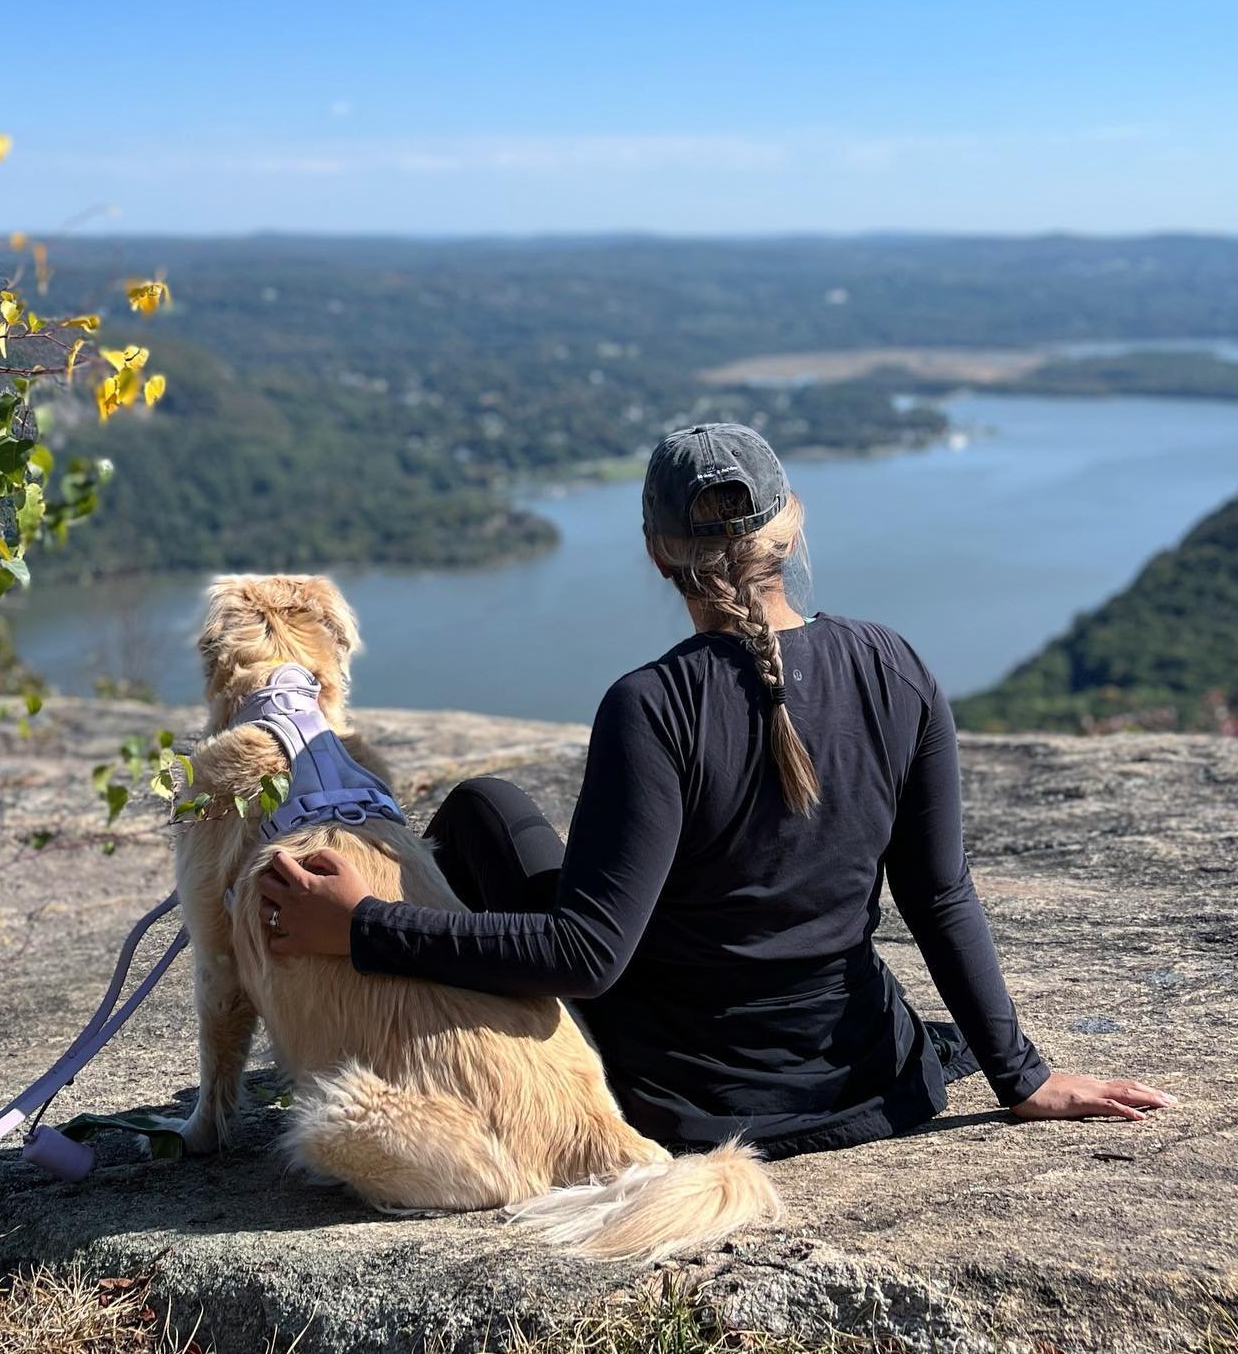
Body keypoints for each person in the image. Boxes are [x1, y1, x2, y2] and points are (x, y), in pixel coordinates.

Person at [259, 423, 1173, 1156]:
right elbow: (939, 894)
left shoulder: (653, 706)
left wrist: (362, 927)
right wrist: (1022, 1077)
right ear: (793, 527)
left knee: (480, 812)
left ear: (658, 553)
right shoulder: (893, 666)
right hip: (868, 1079)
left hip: (687, 1095)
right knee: (492, 811)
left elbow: (588, 956)